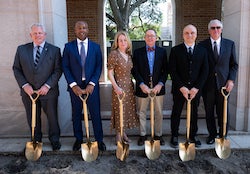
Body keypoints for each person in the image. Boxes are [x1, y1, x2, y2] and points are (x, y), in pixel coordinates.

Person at [13, 23, 62, 151]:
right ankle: (35, 140)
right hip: (28, 93)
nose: (37, 35)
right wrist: (24, 85)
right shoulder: (21, 49)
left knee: (52, 117)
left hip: (48, 92)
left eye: (40, 33)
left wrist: (47, 86)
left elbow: (58, 70)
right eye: (35, 33)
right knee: (32, 117)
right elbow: (16, 69)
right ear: (31, 35)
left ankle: (55, 140)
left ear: (44, 35)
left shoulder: (54, 50)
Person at [62, 20, 106, 151]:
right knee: (76, 114)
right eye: (79, 28)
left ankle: (99, 139)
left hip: (91, 87)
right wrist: (73, 85)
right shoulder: (68, 47)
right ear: (75, 30)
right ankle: (78, 139)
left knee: (95, 114)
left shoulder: (96, 47)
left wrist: (92, 83)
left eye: (84, 28)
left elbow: (99, 66)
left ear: (88, 30)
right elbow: (65, 66)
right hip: (75, 88)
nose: (82, 30)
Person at [169, 24, 208, 148]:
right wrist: (182, 87)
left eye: (192, 33)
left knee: (194, 112)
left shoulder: (202, 50)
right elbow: (172, 70)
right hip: (179, 89)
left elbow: (205, 71)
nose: (189, 35)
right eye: (187, 33)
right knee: (176, 111)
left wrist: (196, 88)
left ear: (196, 35)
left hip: (195, 90)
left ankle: (193, 135)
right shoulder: (175, 50)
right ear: (183, 35)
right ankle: (174, 134)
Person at [200, 19, 238, 144]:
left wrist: (231, 80)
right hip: (208, 86)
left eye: (218, 28)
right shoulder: (202, 45)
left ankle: (223, 135)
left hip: (224, 86)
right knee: (209, 112)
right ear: (209, 30)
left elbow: (234, 65)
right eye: (213, 28)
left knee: (223, 112)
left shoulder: (230, 44)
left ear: (221, 29)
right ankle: (212, 135)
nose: (215, 30)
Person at [132, 29, 168, 146]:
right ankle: (142, 135)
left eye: (152, 36)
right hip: (142, 88)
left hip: (158, 88)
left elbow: (165, 71)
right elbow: (135, 70)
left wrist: (160, 84)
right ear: (144, 38)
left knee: (158, 112)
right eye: (148, 36)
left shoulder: (162, 52)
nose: (150, 38)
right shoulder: (137, 52)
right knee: (141, 112)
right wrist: (141, 84)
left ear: (156, 38)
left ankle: (158, 135)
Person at [107, 31, 139, 143]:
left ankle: (123, 133)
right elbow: (110, 73)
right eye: (120, 40)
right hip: (118, 86)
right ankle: (118, 135)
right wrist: (116, 87)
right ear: (117, 42)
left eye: (125, 40)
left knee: (126, 110)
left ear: (128, 42)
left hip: (129, 86)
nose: (123, 42)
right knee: (119, 110)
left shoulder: (129, 55)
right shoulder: (114, 54)